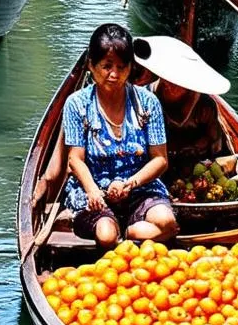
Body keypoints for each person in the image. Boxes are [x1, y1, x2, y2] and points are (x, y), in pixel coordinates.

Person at [52, 24, 178, 245]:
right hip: (94, 189)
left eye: (121, 67)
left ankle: (128, 232)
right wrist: (93, 192)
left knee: (167, 223)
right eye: (106, 66)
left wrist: (130, 183)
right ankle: (116, 231)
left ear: (131, 68)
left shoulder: (148, 103)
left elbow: (160, 159)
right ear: (91, 65)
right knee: (106, 236)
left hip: (139, 188)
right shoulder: (77, 104)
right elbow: (75, 159)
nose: (114, 74)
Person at [132, 35, 230, 175]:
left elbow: (216, 145)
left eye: (178, 82)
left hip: (194, 167)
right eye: (168, 79)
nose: (170, 85)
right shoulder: (146, 98)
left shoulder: (204, 106)